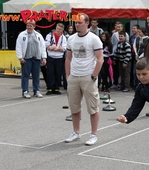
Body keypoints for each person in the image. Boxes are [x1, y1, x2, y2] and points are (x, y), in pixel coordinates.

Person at [64, 13, 104, 146]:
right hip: (74, 76)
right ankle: (76, 132)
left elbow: (100, 59)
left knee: (93, 107)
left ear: (87, 23)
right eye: (75, 22)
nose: (77, 25)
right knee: (74, 106)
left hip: (88, 76)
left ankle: (93, 134)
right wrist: (68, 76)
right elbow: (68, 59)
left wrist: (94, 75)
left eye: (79, 22)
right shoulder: (71, 39)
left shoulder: (94, 38)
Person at [15, 20, 47, 99]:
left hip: (36, 58)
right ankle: (25, 91)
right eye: (28, 25)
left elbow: (43, 47)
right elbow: (18, 47)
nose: (29, 27)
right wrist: (20, 57)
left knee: (36, 75)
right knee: (25, 75)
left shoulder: (38, 35)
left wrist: (44, 58)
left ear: (34, 26)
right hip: (26, 58)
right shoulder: (22, 35)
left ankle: (36, 91)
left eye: (31, 25)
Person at [45, 23, 67, 95]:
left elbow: (63, 48)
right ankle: (50, 88)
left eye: (60, 29)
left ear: (62, 30)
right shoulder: (49, 36)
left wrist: (53, 48)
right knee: (50, 73)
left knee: (58, 73)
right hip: (50, 57)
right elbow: (47, 46)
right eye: (57, 29)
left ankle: (56, 88)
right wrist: (58, 48)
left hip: (59, 58)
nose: (58, 30)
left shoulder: (63, 37)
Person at [110, 22, 130, 89]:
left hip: (125, 61)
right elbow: (115, 50)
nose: (120, 37)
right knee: (120, 73)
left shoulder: (126, 44)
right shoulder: (117, 41)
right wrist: (114, 59)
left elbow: (128, 54)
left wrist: (125, 62)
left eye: (122, 36)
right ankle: (121, 85)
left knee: (126, 74)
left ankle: (126, 86)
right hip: (119, 59)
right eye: (120, 36)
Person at [129, 24, 140, 89]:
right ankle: (133, 84)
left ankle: (137, 84)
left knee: (136, 70)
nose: (133, 30)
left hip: (138, 56)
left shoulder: (140, 37)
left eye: (134, 28)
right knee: (132, 72)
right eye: (132, 28)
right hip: (132, 55)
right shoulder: (131, 37)